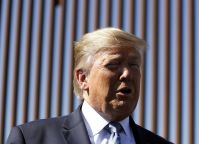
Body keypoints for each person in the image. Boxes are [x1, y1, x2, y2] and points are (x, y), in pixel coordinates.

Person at [7, 28, 172, 144]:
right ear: (82, 78)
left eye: (134, 65)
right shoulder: (30, 139)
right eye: (113, 64)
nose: (127, 74)